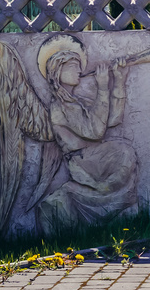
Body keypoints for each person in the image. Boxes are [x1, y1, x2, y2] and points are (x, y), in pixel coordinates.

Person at [36, 35, 139, 232]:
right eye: (73, 66)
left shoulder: (75, 102)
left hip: (93, 157)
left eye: (78, 66)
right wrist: (102, 87)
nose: (80, 71)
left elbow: (112, 120)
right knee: (123, 153)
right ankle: (108, 202)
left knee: (124, 152)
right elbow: (96, 131)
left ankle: (113, 205)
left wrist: (119, 81)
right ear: (58, 72)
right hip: (83, 162)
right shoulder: (60, 106)